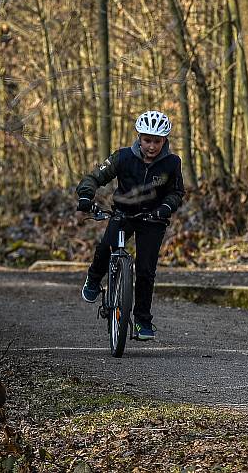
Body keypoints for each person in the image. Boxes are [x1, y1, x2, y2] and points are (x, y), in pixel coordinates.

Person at [76, 111, 185, 341]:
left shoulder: (171, 163)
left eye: (157, 141)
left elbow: (176, 192)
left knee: (146, 270)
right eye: (147, 140)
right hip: (124, 214)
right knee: (106, 246)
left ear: (165, 140)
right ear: (139, 137)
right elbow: (94, 177)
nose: (152, 146)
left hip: (153, 219)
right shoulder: (123, 157)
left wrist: (166, 207)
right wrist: (86, 196)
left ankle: (142, 321)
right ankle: (94, 278)